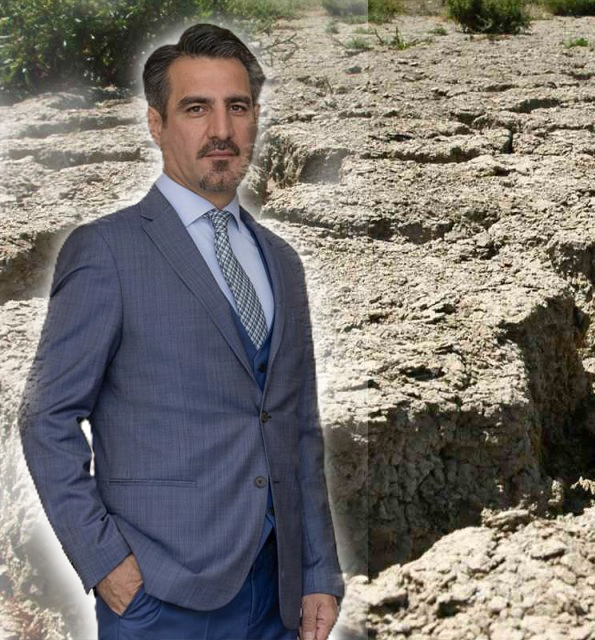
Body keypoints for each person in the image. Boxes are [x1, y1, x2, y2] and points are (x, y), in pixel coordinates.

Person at [18, 23, 344, 640]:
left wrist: (319, 570)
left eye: (238, 107)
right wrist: (106, 563)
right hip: (160, 598)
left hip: (279, 595)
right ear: (156, 123)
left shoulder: (281, 260)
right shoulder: (106, 251)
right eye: (196, 108)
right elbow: (46, 418)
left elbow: (297, 427)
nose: (220, 129)